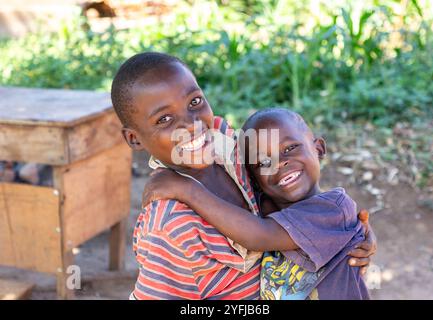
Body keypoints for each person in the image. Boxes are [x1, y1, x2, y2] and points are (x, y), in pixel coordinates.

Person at [111, 51, 376, 300]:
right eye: (164, 120)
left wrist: (350, 234)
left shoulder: (229, 146)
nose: (191, 125)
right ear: (134, 138)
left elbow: (291, 194)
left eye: (194, 102)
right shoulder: (167, 227)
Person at [144, 108, 371, 300]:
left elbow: (259, 236)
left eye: (290, 148)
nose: (280, 163)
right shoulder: (267, 208)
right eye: (263, 162)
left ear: (319, 149)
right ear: (253, 179)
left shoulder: (334, 208)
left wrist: (188, 190)